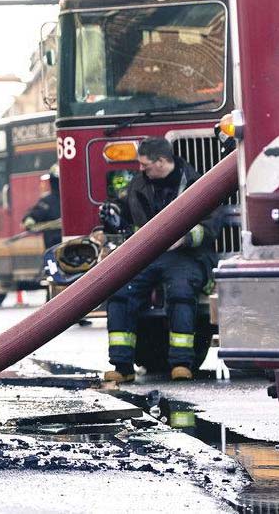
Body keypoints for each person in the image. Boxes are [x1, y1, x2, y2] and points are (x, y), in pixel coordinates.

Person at [99, 138, 218, 383]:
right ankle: (122, 366)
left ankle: (182, 364)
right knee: (120, 290)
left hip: (186, 256)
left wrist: (184, 238)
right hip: (148, 255)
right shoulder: (139, 185)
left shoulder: (197, 185)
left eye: (145, 165)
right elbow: (125, 210)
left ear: (162, 162)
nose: (141, 170)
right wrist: (113, 213)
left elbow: (211, 226)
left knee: (181, 292)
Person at [22, 164, 61, 249]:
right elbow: (32, 218)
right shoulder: (78, 198)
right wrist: (29, 221)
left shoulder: (47, 202)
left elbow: (32, 217)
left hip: (54, 251)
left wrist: (29, 220)